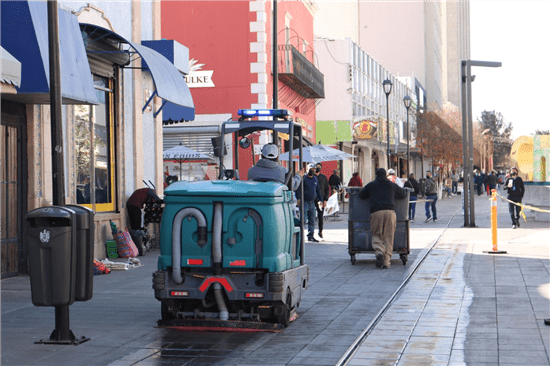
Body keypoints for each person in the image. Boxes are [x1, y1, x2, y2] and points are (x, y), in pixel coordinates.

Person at [359, 168, 407, 269]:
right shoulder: (392, 185)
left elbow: (361, 195)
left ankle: (379, 252)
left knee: (377, 234)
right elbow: (403, 194)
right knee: (389, 236)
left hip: (376, 212)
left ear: (376, 175)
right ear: (385, 175)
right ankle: (386, 262)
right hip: (390, 212)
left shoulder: (371, 185)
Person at [296, 164, 322, 242]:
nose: (313, 170)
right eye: (311, 169)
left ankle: (311, 236)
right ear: (307, 169)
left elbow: (318, 190)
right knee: (302, 220)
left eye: (314, 169)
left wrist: (321, 200)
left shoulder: (315, 179)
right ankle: (300, 236)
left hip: (312, 203)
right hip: (304, 202)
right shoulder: (303, 178)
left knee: (312, 220)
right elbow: (298, 189)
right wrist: (298, 198)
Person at [314, 163, 330, 239]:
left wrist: (325, 199)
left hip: (321, 200)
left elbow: (327, 189)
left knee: (320, 216)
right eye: (316, 167)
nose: (317, 169)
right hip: (312, 199)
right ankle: (311, 233)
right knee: (310, 217)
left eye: (319, 167)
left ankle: (320, 231)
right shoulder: (311, 177)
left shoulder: (323, 177)